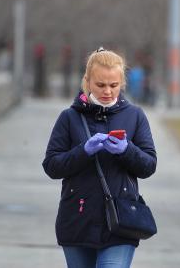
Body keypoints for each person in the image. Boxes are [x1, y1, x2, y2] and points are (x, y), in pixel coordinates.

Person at [42, 47, 157, 268]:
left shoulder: (135, 116)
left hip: (121, 220)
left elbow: (149, 166)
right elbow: (51, 166)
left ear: (122, 82)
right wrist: (84, 151)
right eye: (101, 85)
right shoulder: (69, 117)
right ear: (87, 82)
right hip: (77, 218)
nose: (107, 91)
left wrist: (126, 150)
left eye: (114, 85)